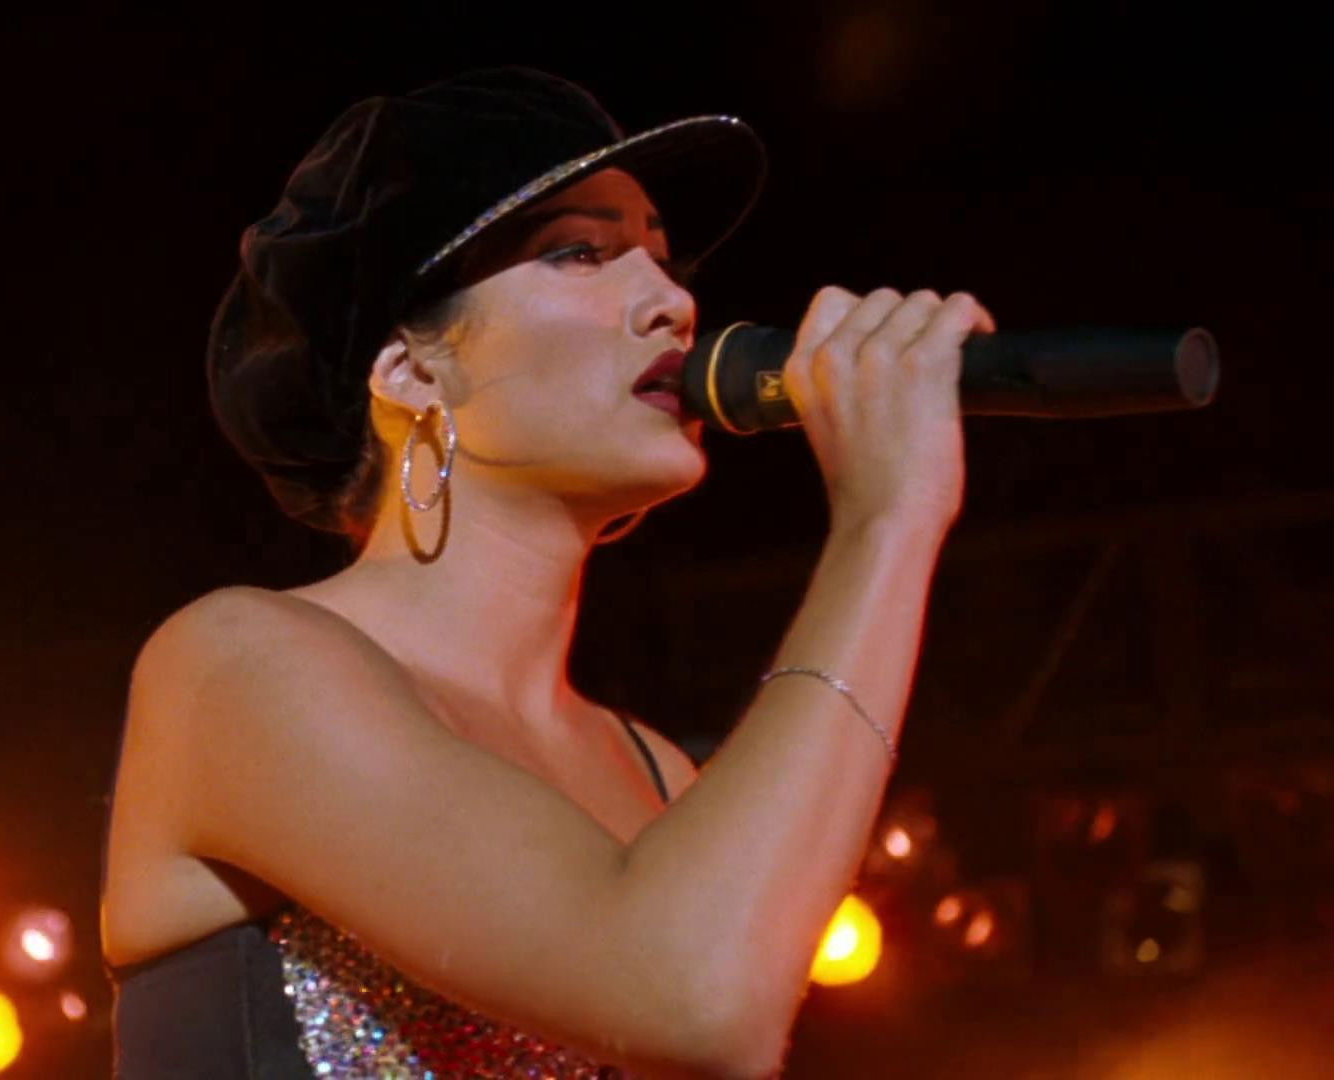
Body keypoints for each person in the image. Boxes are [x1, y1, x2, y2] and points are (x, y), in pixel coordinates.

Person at [100, 67, 993, 1079]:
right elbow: (693, 996)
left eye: (662, 256)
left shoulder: (662, 777)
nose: (674, 302)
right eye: (580, 252)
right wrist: (884, 518)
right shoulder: (236, 666)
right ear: (410, 371)